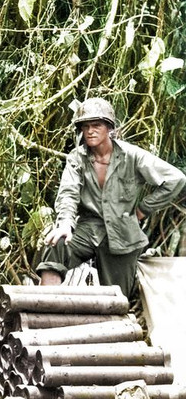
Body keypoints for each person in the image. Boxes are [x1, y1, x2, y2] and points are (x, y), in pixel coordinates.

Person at [37, 97, 185, 299]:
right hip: (88, 228)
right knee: (56, 245)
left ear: (109, 128)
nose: (90, 131)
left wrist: (143, 209)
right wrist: (64, 224)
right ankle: (43, 310)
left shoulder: (132, 155)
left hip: (122, 232)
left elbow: (175, 179)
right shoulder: (77, 157)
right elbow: (68, 192)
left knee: (117, 297)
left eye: (96, 125)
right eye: (85, 126)